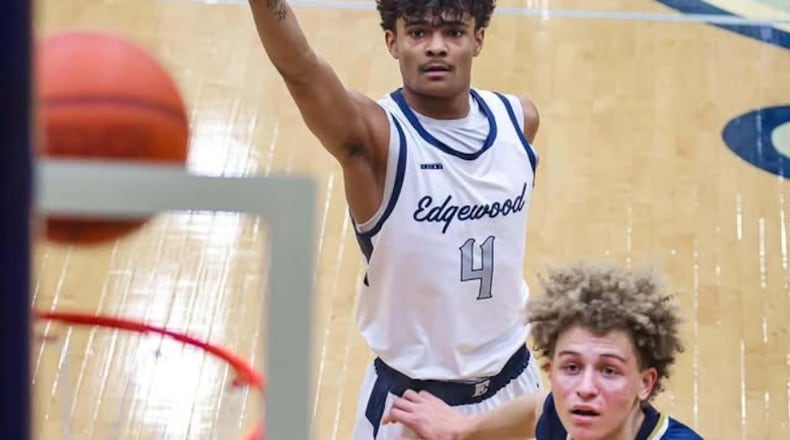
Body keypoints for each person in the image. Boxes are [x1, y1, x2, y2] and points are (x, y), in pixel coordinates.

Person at [246, 0, 542, 438]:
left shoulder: (519, 121)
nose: (436, 47)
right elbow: (302, 69)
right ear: (392, 42)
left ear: (478, 39)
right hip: (412, 404)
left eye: (454, 33)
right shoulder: (375, 138)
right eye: (419, 33)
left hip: (514, 390)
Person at [382, 262, 705, 439]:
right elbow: (539, 409)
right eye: (571, 367)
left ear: (645, 383)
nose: (585, 389)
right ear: (550, 371)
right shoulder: (565, 420)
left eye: (609, 370)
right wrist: (462, 429)